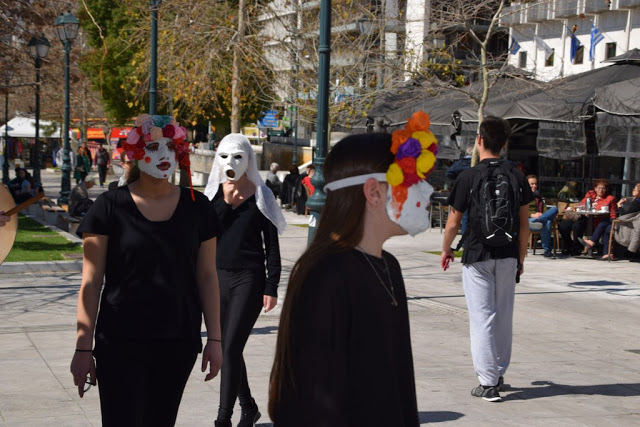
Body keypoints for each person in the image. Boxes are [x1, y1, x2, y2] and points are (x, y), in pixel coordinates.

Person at [269, 111, 438, 426]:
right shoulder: (327, 275)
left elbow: (400, 380)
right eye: (412, 179)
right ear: (373, 191)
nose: (426, 192)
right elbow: (313, 396)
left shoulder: (389, 266)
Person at [70, 114, 223, 426]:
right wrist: (83, 348)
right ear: (135, 152)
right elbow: (91, 281)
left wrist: (216, 340)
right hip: (119, 340)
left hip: (177, 341)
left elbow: (207, 275)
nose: (163, 154)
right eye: (153, 145)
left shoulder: (199, 207)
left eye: (170, 145)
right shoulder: (109, 206)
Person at [441, 116, 532, 402]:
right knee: (504, 315)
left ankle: (488, 382)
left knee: (482, 317)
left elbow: (453, 222)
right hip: (507, 254)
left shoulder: (468, 176)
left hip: (477, 254)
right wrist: (521, 257)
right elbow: (525, 224)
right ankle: (499, 372)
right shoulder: (516, 175)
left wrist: (447, 249)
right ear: (504, 145)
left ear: (479, 140)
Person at [204, 134, 286, 427]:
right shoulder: (211, 195)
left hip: (249, 278)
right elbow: (205, 235)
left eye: (238, 157)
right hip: (216, 279)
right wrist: (225, 200)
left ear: (248, 159)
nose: (231, 163)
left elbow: (272, 245)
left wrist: (271, 285)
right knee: (231, 348)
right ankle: (248, 407)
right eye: (226, 157)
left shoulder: (262, 195)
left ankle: (222, 419)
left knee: (228, 349)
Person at [559, 178, 616, 256]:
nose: (601, 190)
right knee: (563, 225)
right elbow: (581, 204)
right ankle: (569, 247)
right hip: (583, 217)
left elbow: (612, 214)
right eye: (599, 188)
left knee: (577, 226)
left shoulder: (609, 198)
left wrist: (594, 207)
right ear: (595, 188)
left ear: (606, 189)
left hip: (597, 220)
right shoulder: (590, 194)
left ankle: (577, 248)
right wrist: (582, 207)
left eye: (603, 188)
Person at [601, 182, 640, 260]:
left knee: (606, 228)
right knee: (604, 225)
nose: (632, 190)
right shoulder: (637, 200)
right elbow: (631, 199)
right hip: (632, 224)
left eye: (635, 190)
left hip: (628, 225)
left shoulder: (636, 203)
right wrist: (626, 199)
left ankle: (606, 252)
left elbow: (626, 214)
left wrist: (619, 205)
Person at [527, 175, 558, 258]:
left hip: (539, 219)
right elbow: (519, 210)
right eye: (532, 184)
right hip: (530, 220)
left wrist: (542, 215)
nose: (535, 186)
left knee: (554, 209)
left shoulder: (538, 196)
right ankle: (547, 251)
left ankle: (542, 219)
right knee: (547, 222)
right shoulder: (522, 196)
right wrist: (532, 214)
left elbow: (544, 209)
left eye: (536, 184)